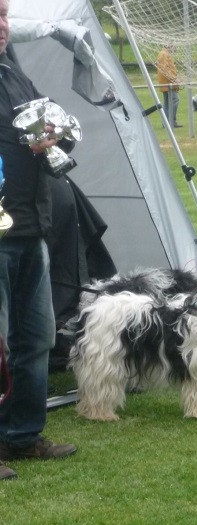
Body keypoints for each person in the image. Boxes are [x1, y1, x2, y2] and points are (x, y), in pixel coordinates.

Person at [0, 0, 77, 481]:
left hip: (30, 227)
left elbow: (51, 121)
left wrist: (54, 136)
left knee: (35, 339)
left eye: (4, 15)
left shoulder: (12, 72)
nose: (1, 25)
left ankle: (21, 437)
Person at [156, 43, 181, 127]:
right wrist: (174, 79)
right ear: (170, 45)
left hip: (166, 82)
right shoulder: (164, 54)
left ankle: (167, 123)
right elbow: (165, 70)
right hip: (168, 83)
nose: (175, 49)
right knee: (174, 100)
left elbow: (169, 69)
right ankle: (170, 122)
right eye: (175, 47)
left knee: (167, 102)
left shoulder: (164, 54)